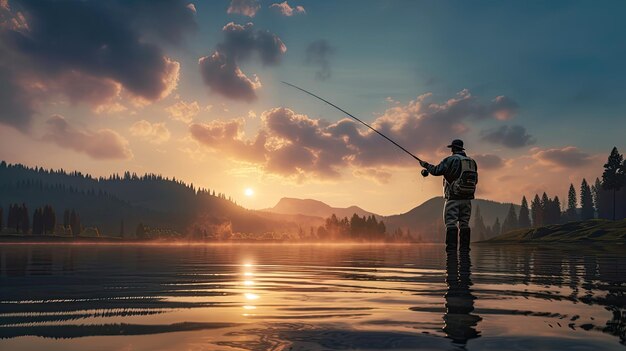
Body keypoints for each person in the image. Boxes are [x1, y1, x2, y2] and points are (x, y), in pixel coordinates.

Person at [419, 139, 478, 251]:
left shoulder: (450, 160)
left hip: (453, 198)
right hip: (467, 199)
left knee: (451, 224)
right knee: (464, 224)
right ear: (462, 148)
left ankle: (451, 252)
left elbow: (436, 171)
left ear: (453, 148)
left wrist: (426, 165)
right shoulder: (472, 162)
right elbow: (476, 181)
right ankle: (465, 250)